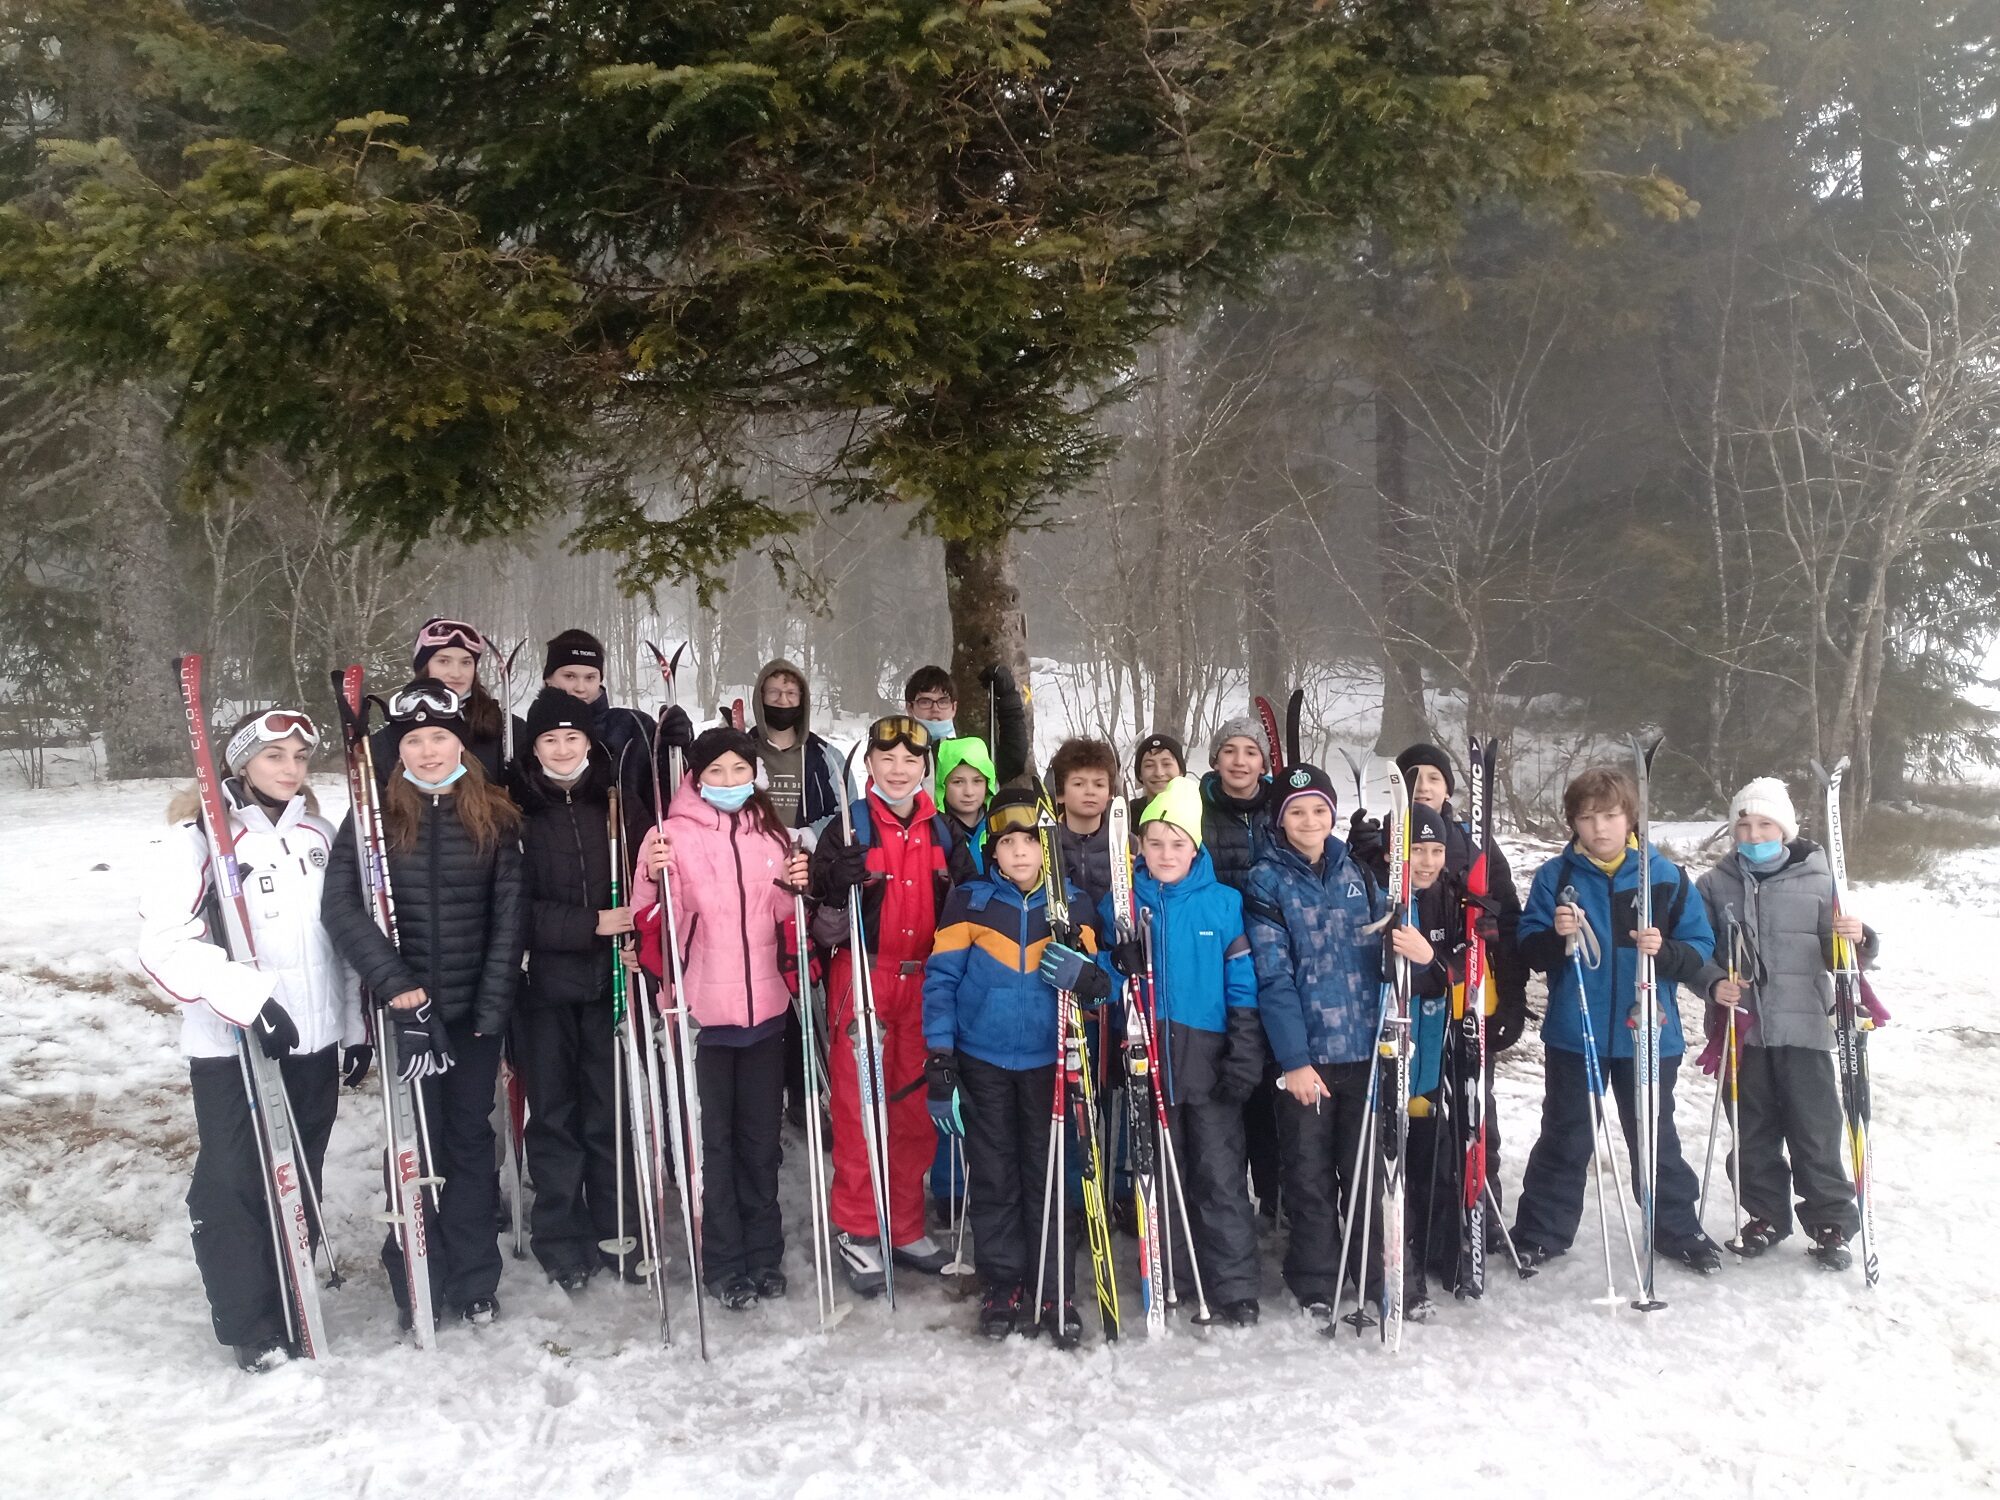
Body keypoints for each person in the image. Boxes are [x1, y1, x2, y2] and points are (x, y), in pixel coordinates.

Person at [137, 708, 368, 1371]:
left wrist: (351, 1028)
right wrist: (250, 1003)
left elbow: (342, 941)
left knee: (300, 1173)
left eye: (299, 758)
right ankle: (251, 1323)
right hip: (234, 1047)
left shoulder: (319, 835)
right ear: (241, 764)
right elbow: (165, 947)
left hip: (314, 1040)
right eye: (275, 757)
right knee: (234, 1182)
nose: (291, 769)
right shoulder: (196, 842)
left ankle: (292, 1291)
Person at [322, 679, 526, 1327]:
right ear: (399, 747)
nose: (429, 751)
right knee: (413, 1143)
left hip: (472, 1017)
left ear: (460, 744)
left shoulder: (494, 814)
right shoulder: (374, 815)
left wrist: (491, 1012)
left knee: (469, 1140)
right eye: (414, 739)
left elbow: (509, 920)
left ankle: (473, 1277)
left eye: (440, 737)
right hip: (406, 1014)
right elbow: (341, 906)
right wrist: (394, 984)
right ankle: (417, 1277)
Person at [1510, 766, 1724, 1275]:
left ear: (1630, 818)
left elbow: (1699, 947)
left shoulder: (1665, 877)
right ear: (1573, 823)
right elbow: (1528, 949)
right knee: (1565, 1134)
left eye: (1609, 816)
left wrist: (1665, 951)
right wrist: (1555, 939)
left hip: (1649, 1032)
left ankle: (1676, 1228)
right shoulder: (1555, 877)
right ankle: (1541, 1230)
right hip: (1574, 1031)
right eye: (1586, 818)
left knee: (1652, 1134)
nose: (1599, 828)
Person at [634, 728, 812, 1308]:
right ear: (696, 776)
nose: (730, 782)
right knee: (712, 1145)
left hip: (765, 1011)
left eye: (740, 771)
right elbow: (653, 924)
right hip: (701, 1018)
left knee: (761, 1144)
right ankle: (723, 1262)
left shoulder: (771, 835)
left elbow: (784, 917)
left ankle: (765, 1254)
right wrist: (656, 878)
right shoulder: (668, 837)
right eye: (717, 773)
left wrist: (795, 887)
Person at [923, 789, 1106, 1339]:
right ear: (992, 850)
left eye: (1031, 841)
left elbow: (1102, 985)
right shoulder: (969, 902)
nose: (1021, 852)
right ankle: (1002, 1281)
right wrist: (941, 1059)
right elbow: (942, 982)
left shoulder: (1074, 905)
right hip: (985, 1062)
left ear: (1046, 849)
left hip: (1051, 1063)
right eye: (1008, 843)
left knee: (1051, 1175)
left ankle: (1052, 1288)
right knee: (996, 1175)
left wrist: (1090, 978)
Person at [809, 716, 974, 1293]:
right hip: (865, 976)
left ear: (924, 768)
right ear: (871, 767)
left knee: (911, 1112)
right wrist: (835, 881)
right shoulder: (849, 826)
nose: (899, 771)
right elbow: (817, 912)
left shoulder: (944, 831)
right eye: (887, 761)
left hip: (926, 981)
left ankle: (902, 1224)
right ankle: (857, 1228)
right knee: (860, 1111)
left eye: (910, 762)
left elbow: (969, 901)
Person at [1695, 777, 1877, 1270]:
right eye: (1744, 826)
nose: (1754, 835)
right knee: (1751, 1131)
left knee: (1815, 1129)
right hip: (1745, 1030)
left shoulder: (1821, 880)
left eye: (1765, 824)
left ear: (1785, 828)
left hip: (1806, 1029)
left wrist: (1858, 939)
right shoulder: (1715, 884)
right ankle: (1765, 1215)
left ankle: (1830, 1221)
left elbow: (1844, 953)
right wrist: (1713, 981)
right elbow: (1696, 950)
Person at [1102, 775, 1265, 1325]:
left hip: (1209, 1056)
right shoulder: (1122, 902)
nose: (1166, 854)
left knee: (1218, 1175)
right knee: (1159, 1175)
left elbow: (1242, 984)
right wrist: (1113, 962)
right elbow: (1103, 978)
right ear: (1139, 848)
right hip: (1148, 1056)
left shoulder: (1223, 904)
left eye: (1178, 843)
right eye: (1155, 843)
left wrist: (1244, 1054)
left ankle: (1234, 1285)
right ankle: (1169, 1270)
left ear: (1195, 847)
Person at [1351, 742, 1529, 1216]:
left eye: (1433, 777)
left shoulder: (1476, 847)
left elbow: (1506, 926)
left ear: (1448, 787)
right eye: (1413, 777)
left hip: (1461, 1000)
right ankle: (1408, 1214)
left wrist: (1510, 998)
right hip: (1405, 1008)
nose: (1423, 785)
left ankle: (1474, 1203)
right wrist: (1364, 850)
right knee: (1411, 1110)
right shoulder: (1376, 848)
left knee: (1471, 1105)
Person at [1243, 763, 1389, 1325]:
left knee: (1364, 1171)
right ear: (1281, 820)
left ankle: (1372, 1273)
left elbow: (1384, 953)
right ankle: (1315, 1278)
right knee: (1307, 1172)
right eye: (1297, 811)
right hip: (1308, 1057)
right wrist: (1295, 1061)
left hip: (1363, 1049)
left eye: (1320, 811)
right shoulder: (1266, 880)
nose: (1310, 821)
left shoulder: (1359, 873)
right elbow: (1273, 978)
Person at [506, 687, 638, 1290]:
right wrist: (589, 924)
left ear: (591, 742)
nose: (562, 750)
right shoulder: (515, 810)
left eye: (573, 738)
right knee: (554, 1115)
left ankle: (618, 1228)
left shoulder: (614, 805)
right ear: (534, 748)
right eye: (550, 740)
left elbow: (647, 890)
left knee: (608, 1112)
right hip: (543, 989)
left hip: (608, 984)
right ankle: (561, 1237)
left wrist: (638, 935)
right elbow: (509, 909)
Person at [1199, 715, 1281, 1221]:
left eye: (1250, 752)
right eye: (1230, 751)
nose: (1239, 762)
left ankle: (1275, 1192)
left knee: (1270, 1080)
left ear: (1263, 763)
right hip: (1216, 958)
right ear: (1215, 759)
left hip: (1273, 959)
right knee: (1229, 1075)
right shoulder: (1198, 809)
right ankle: (1227, 1202)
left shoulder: (1283, 808)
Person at [530, 628, 692, 816]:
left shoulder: (633, 725)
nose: (580, 687)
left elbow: (669, 787)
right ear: (548, 679)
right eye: (570, 676)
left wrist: (679, 743)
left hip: (633, 839)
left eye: (590, 677)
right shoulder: (536, 734)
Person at [371, 617, 507, 782]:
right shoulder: (390, 739)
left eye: (466, 662)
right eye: (444, 661)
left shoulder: (505, 729)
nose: (456, 673)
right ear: (424, 667)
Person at [746, 657, 850, 835]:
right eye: (774, 692)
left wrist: (810, 836)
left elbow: (847, 814)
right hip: (751, 857)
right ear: (760, 696)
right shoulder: (741, 752)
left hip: (810, 858)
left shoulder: (827, 757)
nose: (783, 700)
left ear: (802, 699)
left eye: (791, 693)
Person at [904, 663, 1030, 785]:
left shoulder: (972, 753)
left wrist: (1007, 695)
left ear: (953, 708)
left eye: (943, 702)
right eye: (925, 702)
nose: (935, 709)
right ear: (910, 708)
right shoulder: (896, 753)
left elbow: (1014, 759)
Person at [1049, 737, 1121, 919]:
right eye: (1079, 784)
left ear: (1110, 793)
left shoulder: (1127, 843)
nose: (1090, 791)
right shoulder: (1044, 843)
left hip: (1113, 940)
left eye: (1099, 784)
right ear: (1060, 794)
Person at [935, 733, 999, 876]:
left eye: (977, 781)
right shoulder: (934, 832)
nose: (969, 792)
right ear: (942, 786)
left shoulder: (1001, 828)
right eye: (958, 782)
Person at [1130, 732, 1185, 818]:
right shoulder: (1128, 814)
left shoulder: (1199, 812)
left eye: (1166, 764)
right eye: (1149, 765)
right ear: (1140, 774)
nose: (1159, 773)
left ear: (1181, 771)